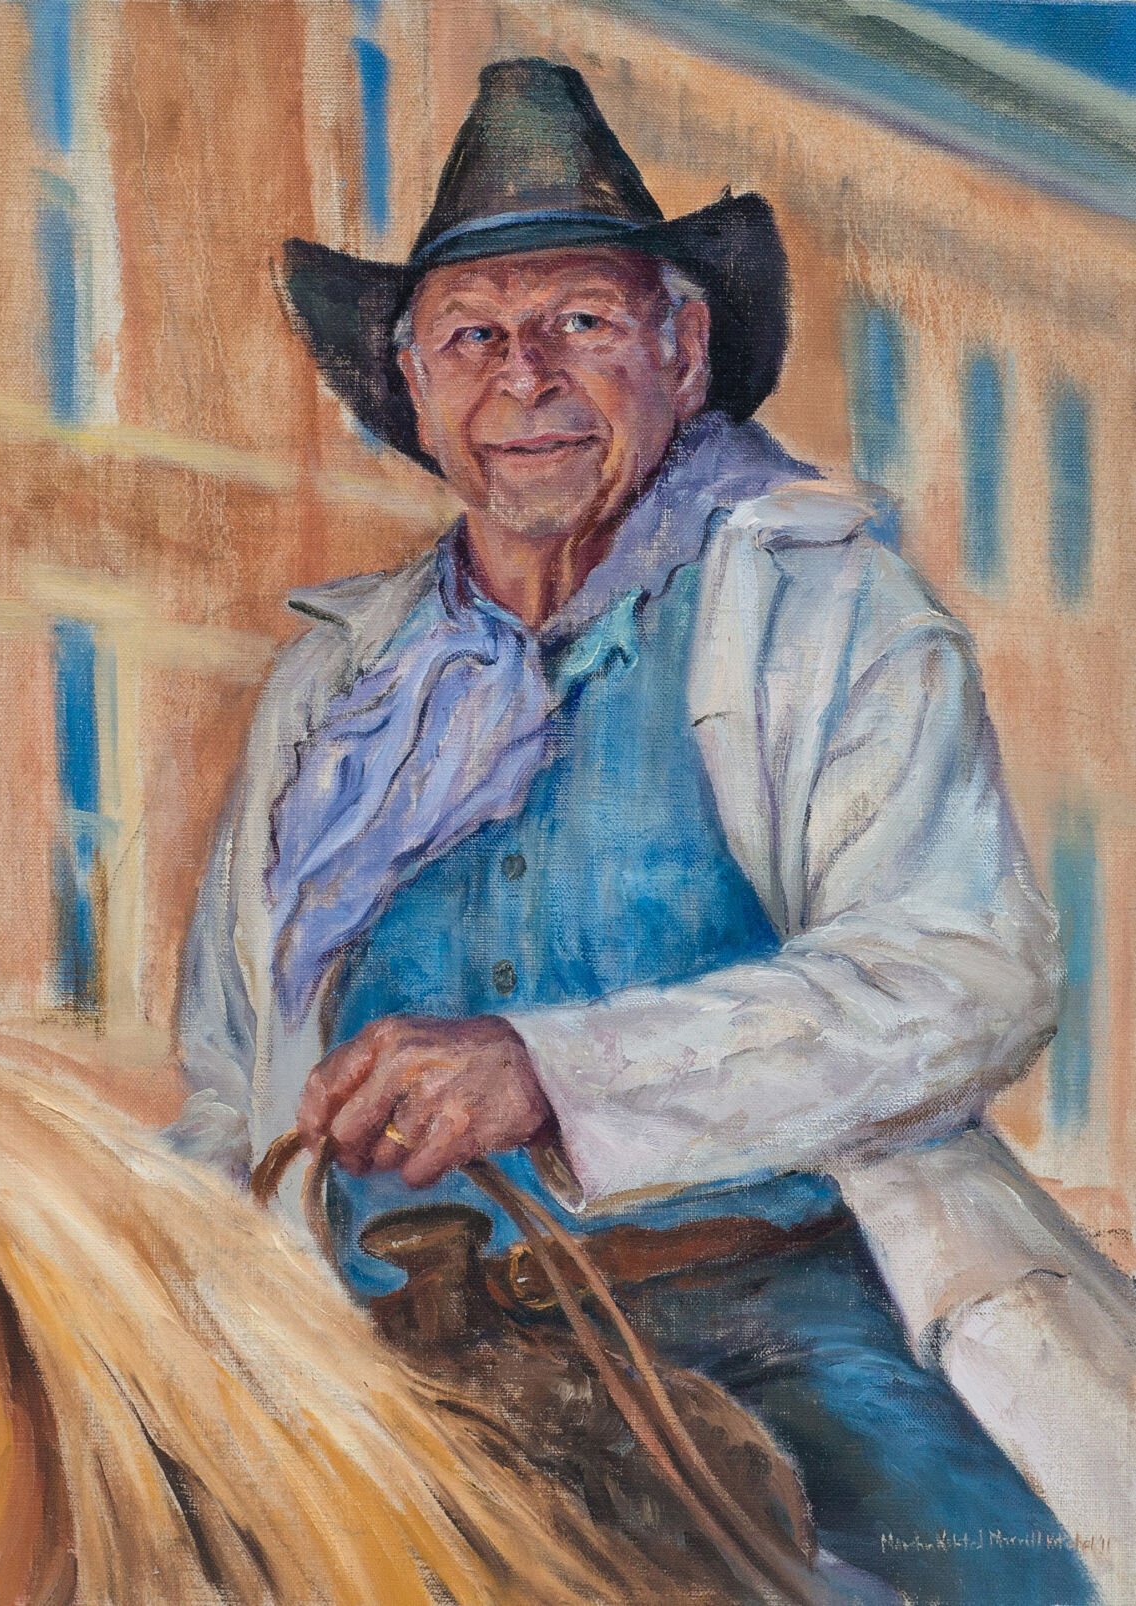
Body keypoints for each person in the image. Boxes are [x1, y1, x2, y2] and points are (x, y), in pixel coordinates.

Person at [168, 58, 1105, 1602]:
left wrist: (547, 1070)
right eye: (471, 336)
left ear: (681, 350)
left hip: (766, 1315)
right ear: (409, 385)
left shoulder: (823, 604)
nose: (521, 380)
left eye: (579, 327)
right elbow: (225, 1082)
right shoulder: (333, 692)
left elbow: (965, 975)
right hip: (364, 1358)